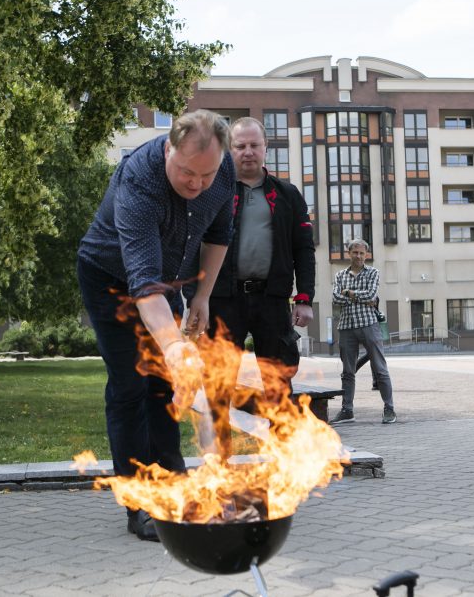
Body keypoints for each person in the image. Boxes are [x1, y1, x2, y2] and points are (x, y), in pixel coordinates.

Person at [77, 110, 235, 542]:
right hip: (110, 280)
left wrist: (201, 295)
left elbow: (220, 233)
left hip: (164, 280)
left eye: (206, 175)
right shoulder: (140, 181)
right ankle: (140, 502)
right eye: (186, 172)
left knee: (164, 386)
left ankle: (171, 478)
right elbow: (143, 287)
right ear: (168, 148)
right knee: (131, 385)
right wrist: (178, 347)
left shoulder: (222, 170)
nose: (196, 184)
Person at [206, 117, 315, 401]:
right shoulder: (214, 192)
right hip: (223, 299)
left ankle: (280, 444)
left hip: (272, 300)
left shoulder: (287, 194)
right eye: (240, 146)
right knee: (219, 385)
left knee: (278, 385)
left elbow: (304, 248)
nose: (248, 151)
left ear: (266, 147)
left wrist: (303, 298)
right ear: (230, 150)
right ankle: (218, 447)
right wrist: (197, 298)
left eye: (255, 145)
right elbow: (195, 246)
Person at [330, 239, 396, 425]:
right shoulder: (340, 275)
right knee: (347, 372)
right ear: (349, 253)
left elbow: (371, 296)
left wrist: (349, 293)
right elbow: (335, 298)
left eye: (362, 253)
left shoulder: (373, 272)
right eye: (355, 252)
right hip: (346, 328)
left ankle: (389, 408)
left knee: (380, 369)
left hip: (369, 324)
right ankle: (347, 410)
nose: (358, 256)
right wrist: (359, 296)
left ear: (366, 254)